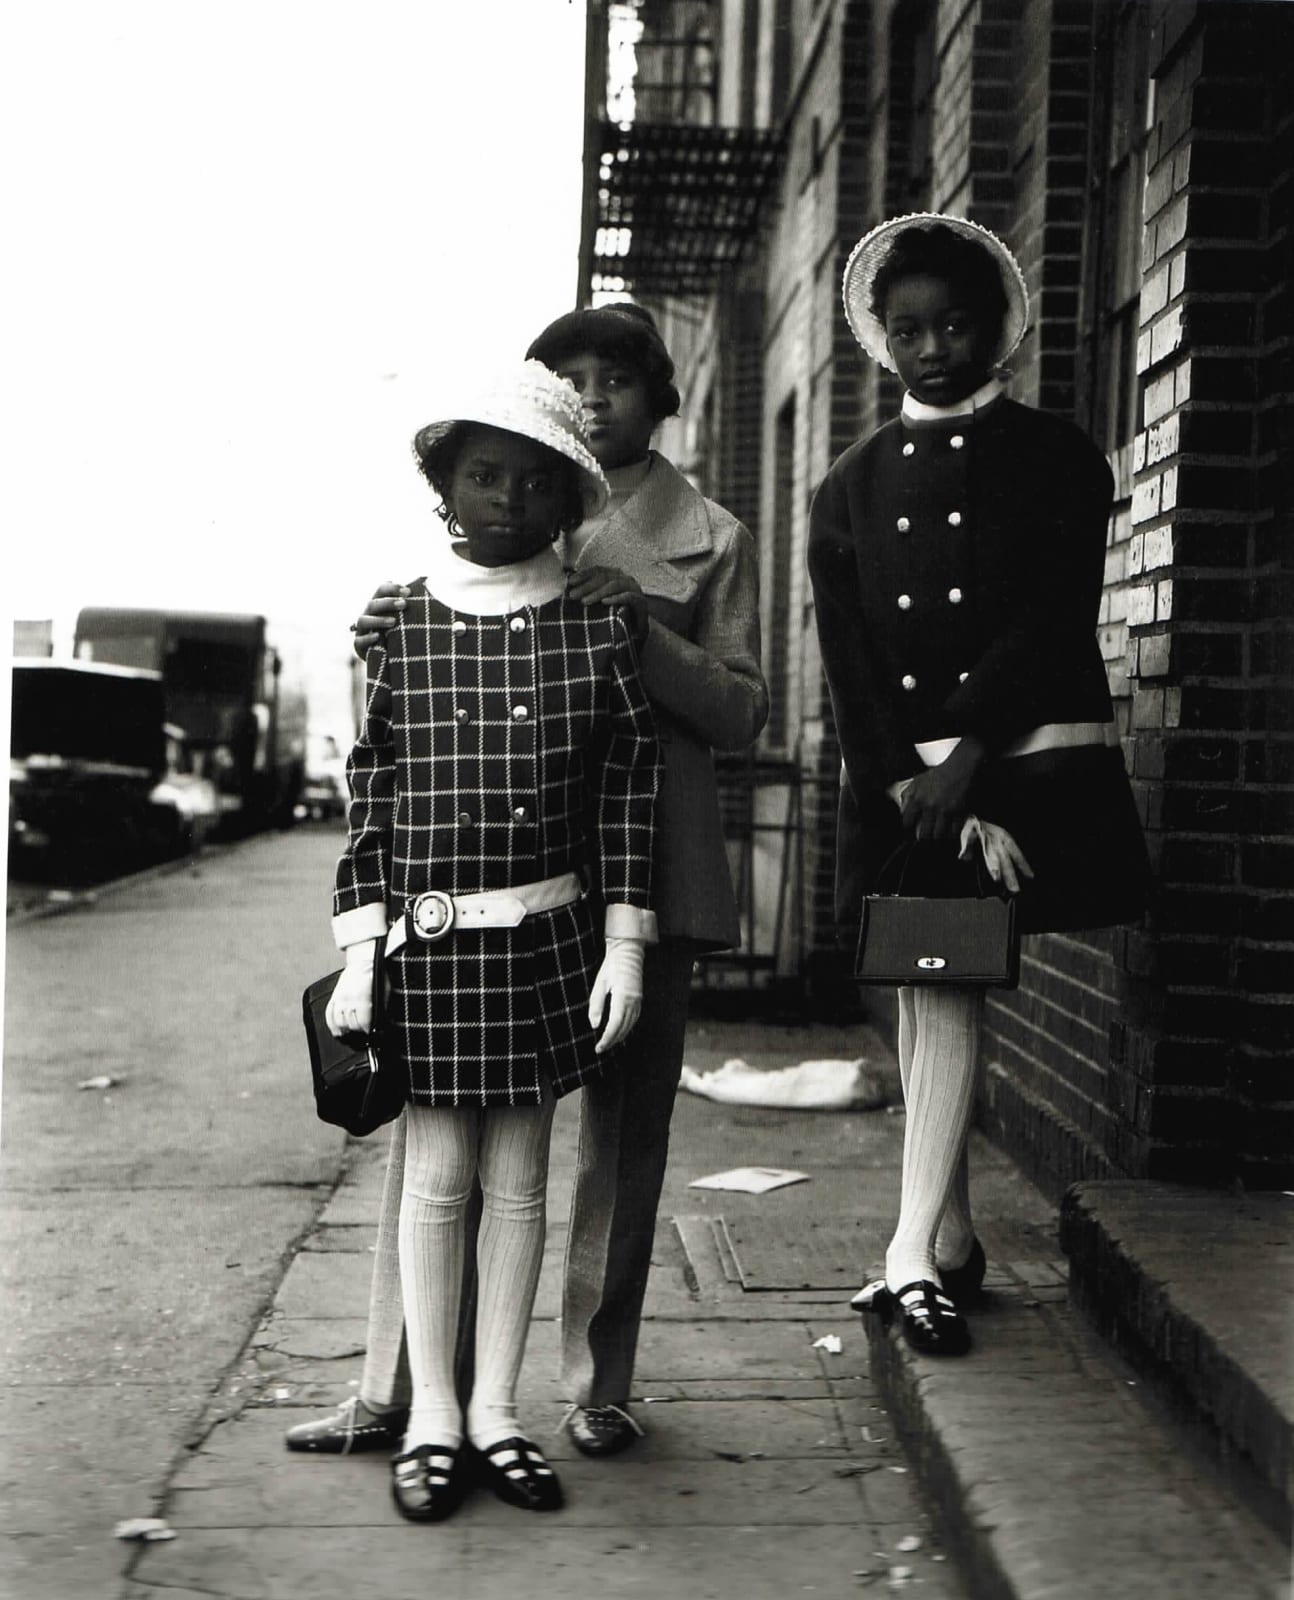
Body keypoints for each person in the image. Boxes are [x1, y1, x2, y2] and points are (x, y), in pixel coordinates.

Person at [286, 304, 768, 1460]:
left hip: (646, 862)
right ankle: (396, 1389)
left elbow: (745, 708)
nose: (594, 396)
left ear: (662, 396)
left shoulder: (707, 534)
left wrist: (640, 633)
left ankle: (594, 1382)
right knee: (439, 1125)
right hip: (492, 880)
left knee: (621, 1138)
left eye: (618, 378)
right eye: (570, 376)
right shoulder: (512, 493)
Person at [320, 359, 660, 1521]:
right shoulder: (402, 621)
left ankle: (498, 1413)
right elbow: (372, 794)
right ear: (443, 485)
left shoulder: (595, 622)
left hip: (549, 944)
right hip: (428, 950)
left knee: (520, 1182)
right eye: (481, 473)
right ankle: (429, 1419)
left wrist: (625, 945)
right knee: (436, 1179)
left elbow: (624, 791)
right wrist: (361, 956)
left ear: (566, 497)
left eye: (531, 479)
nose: (504, 498)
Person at [807, 214, 1149, 1357]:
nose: (933, 347)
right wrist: (901, 778)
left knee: (943, 978)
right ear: (880, 340)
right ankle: (946, 1236)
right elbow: (848, 657)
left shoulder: (1058, 458)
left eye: (955, 324)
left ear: (998, 326)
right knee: (923, 983)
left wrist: (964, 756)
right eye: (907, 329)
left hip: (1008, 764)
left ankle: (909, 1253)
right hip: (903, 783)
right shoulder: (844, 487)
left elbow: (1052, 617)